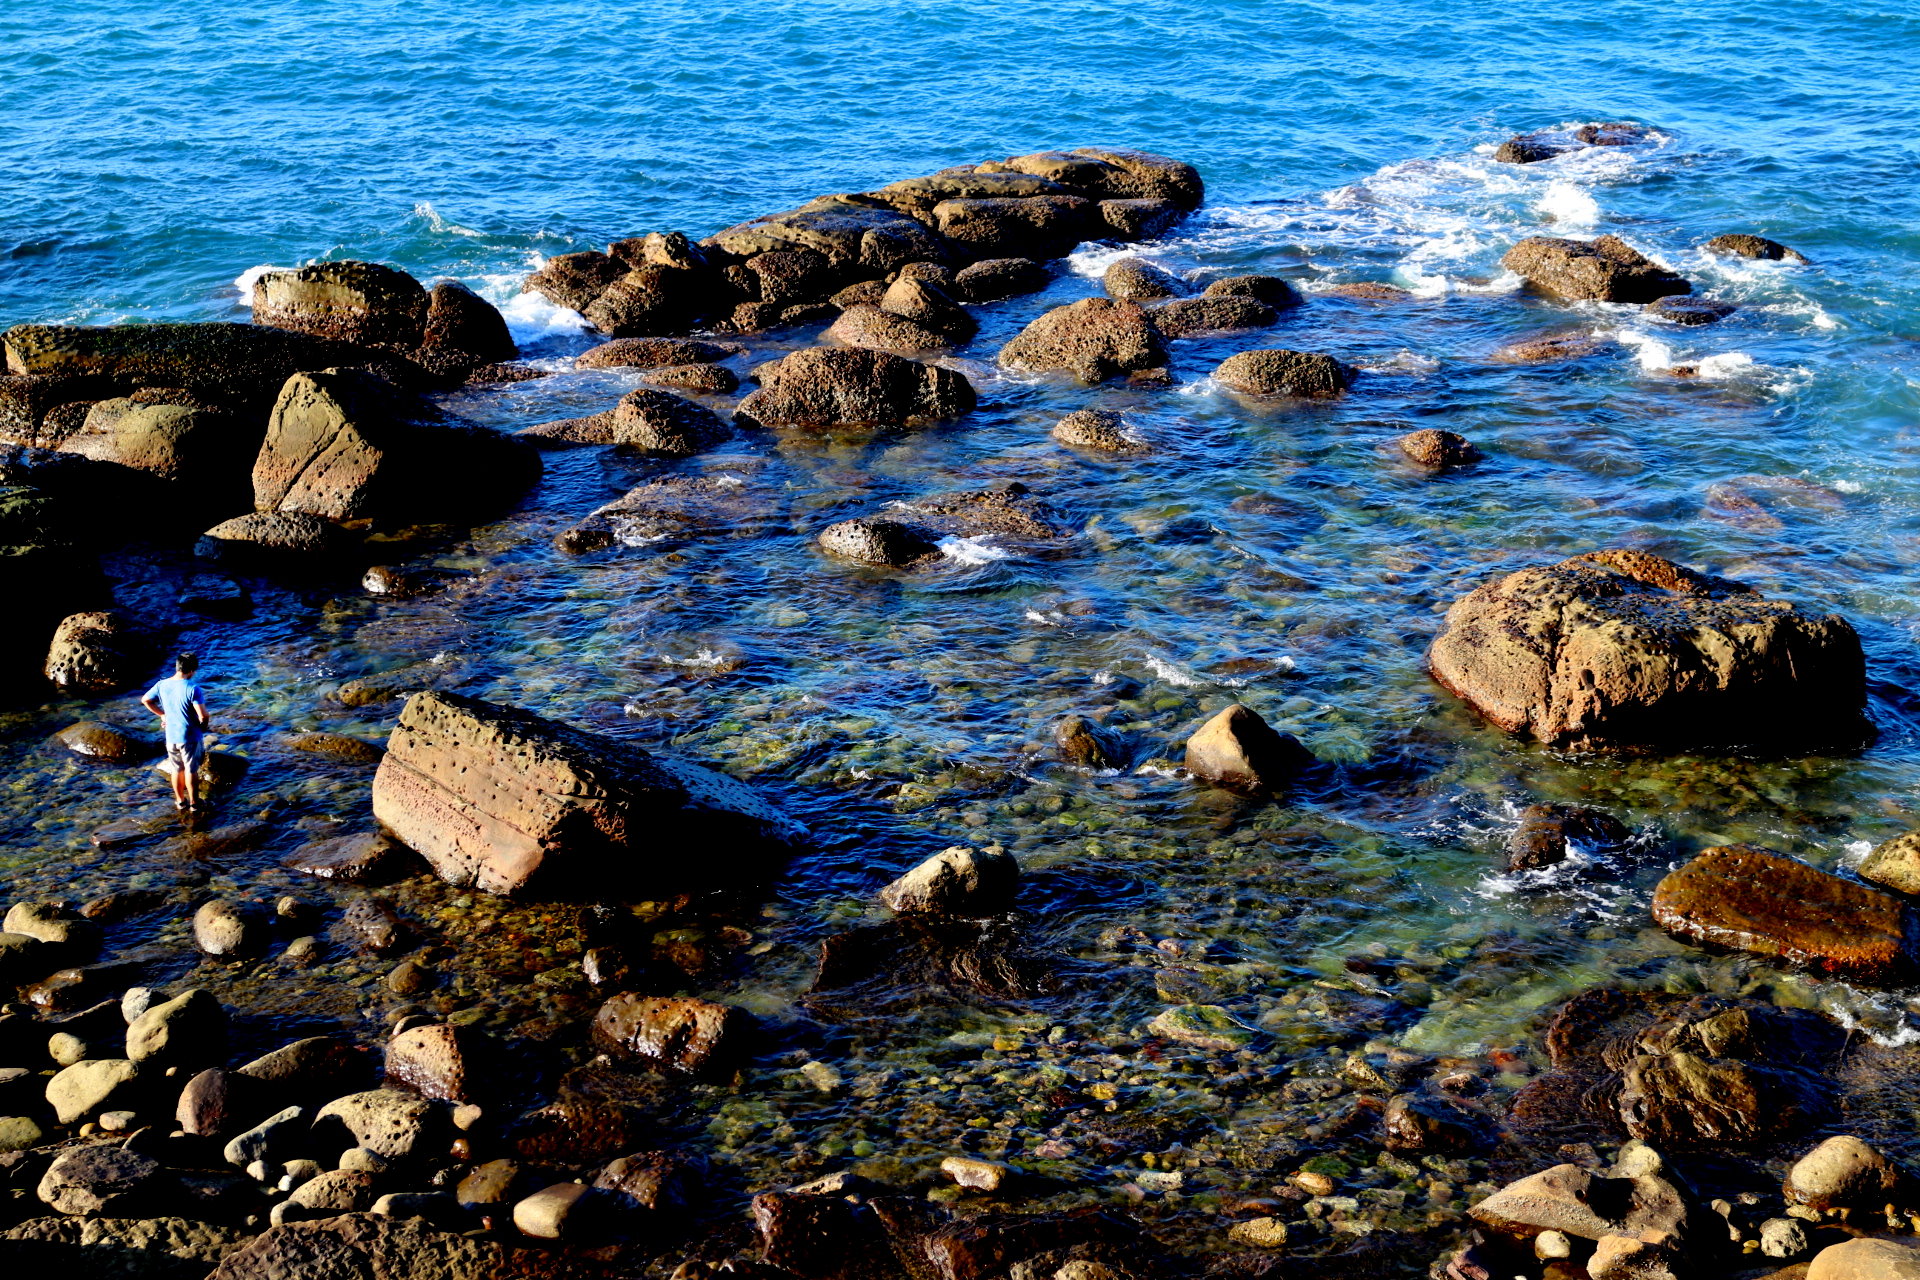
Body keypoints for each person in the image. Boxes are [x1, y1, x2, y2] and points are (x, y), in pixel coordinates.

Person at [142, 653, 211, 812]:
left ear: (177, 667)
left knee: (177, 768)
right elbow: (204, 715)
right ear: (192, 670)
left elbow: (146, 700)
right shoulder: (193, 688)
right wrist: (203, 727)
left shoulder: (161, 685)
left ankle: (180, 801)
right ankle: (194, 803)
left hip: (171, 736)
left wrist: (162, 714)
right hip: (189, 737)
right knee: (190, 769)